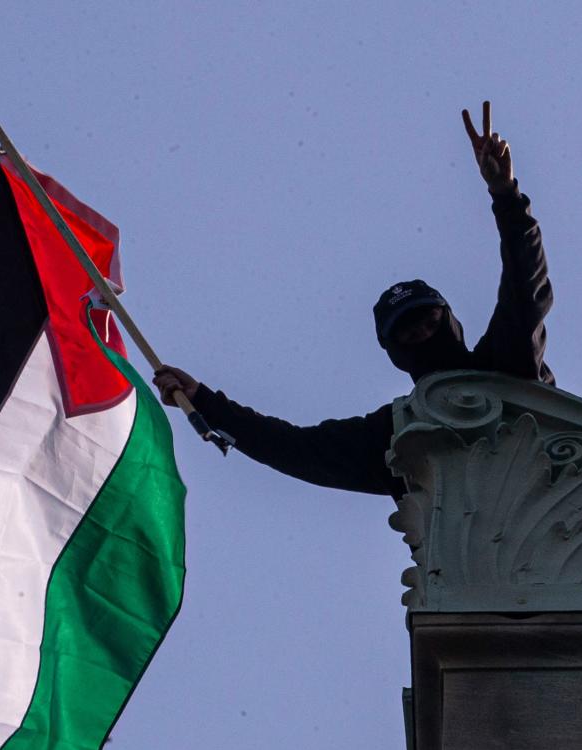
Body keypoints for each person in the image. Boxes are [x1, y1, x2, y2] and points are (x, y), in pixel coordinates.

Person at [153, 102, 554, 501]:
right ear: (395, 352)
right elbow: (293, 448)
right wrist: (205, 401)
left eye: (429, 322)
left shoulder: (505, 364)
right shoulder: (400, 434)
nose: (423, 335)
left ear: (449, 320)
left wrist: (505, 195)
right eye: (410, 334)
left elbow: (525, 283)